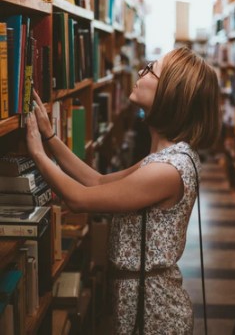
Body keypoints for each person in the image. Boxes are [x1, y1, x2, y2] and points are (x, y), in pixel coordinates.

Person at [26, 46, 221, 334]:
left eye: (151, 68)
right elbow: (98, 182)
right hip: (139, 299)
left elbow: (79, 199)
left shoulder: (166, 170)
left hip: (155, 312)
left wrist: (38, 155)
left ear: (170, 93)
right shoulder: (166, 156)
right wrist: (50, 137)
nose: (141, 71)